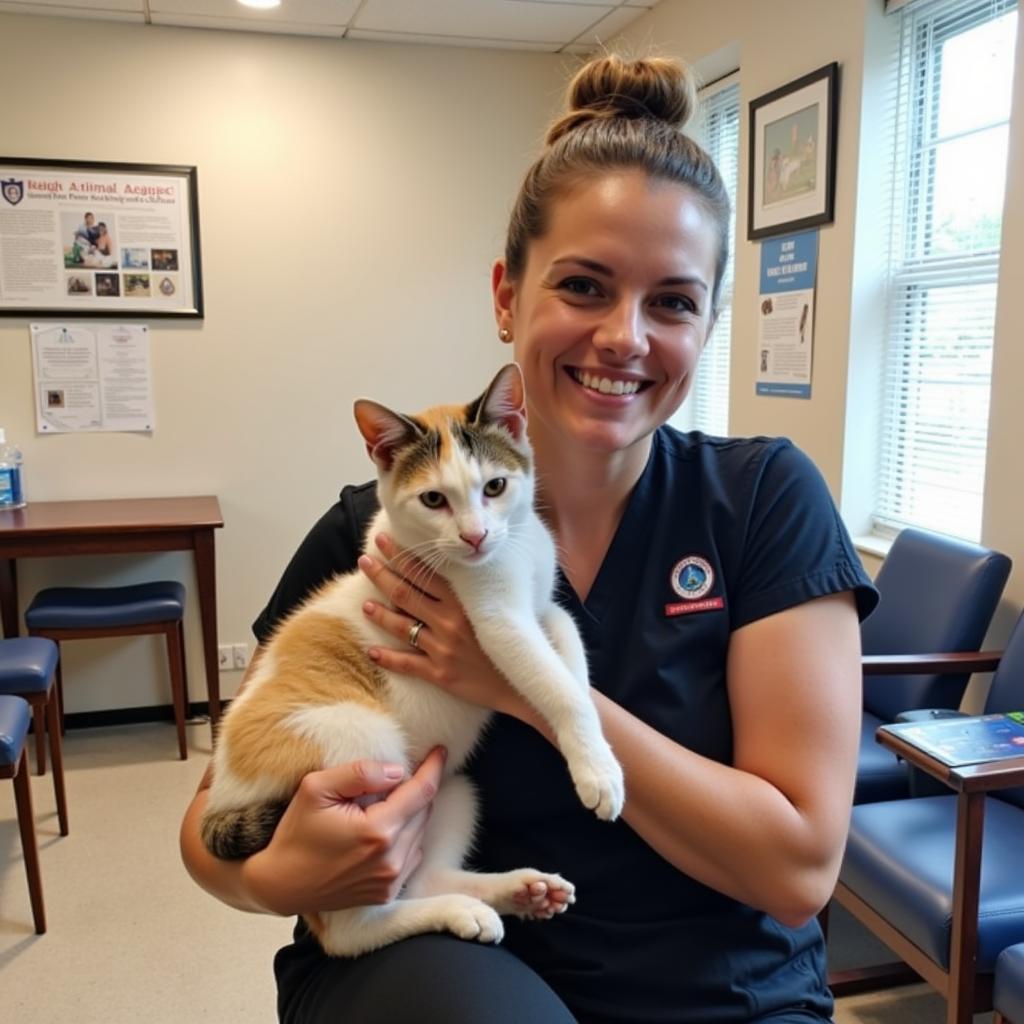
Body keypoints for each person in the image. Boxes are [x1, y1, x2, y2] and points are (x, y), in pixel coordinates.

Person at [180, 54, 877, 1024]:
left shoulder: (763, 499)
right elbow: (212, 837)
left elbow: (798, 868)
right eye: (585, 286)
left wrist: (517, 684)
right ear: (507, 296)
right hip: (444, 964)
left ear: (710, 320)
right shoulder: (368, 531)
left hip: (725, 986)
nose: (625, 336)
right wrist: (273, 876)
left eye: (672, 300)